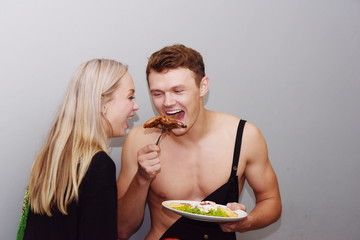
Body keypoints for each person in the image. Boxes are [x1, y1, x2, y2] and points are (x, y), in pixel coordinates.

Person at [117, 44, 281, 240]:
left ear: (202, 86)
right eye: (158, 93)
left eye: (178, 91)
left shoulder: (244, 136)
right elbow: (122, 229)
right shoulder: (139, 139)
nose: (167, 102)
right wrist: (141, 179)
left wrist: (247, 222)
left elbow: (271, 201)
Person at [20, 59, 139, 240]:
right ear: (103, 103)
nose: (135, 106)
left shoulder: (52, 155)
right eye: (130, 97)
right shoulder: (98, 165)